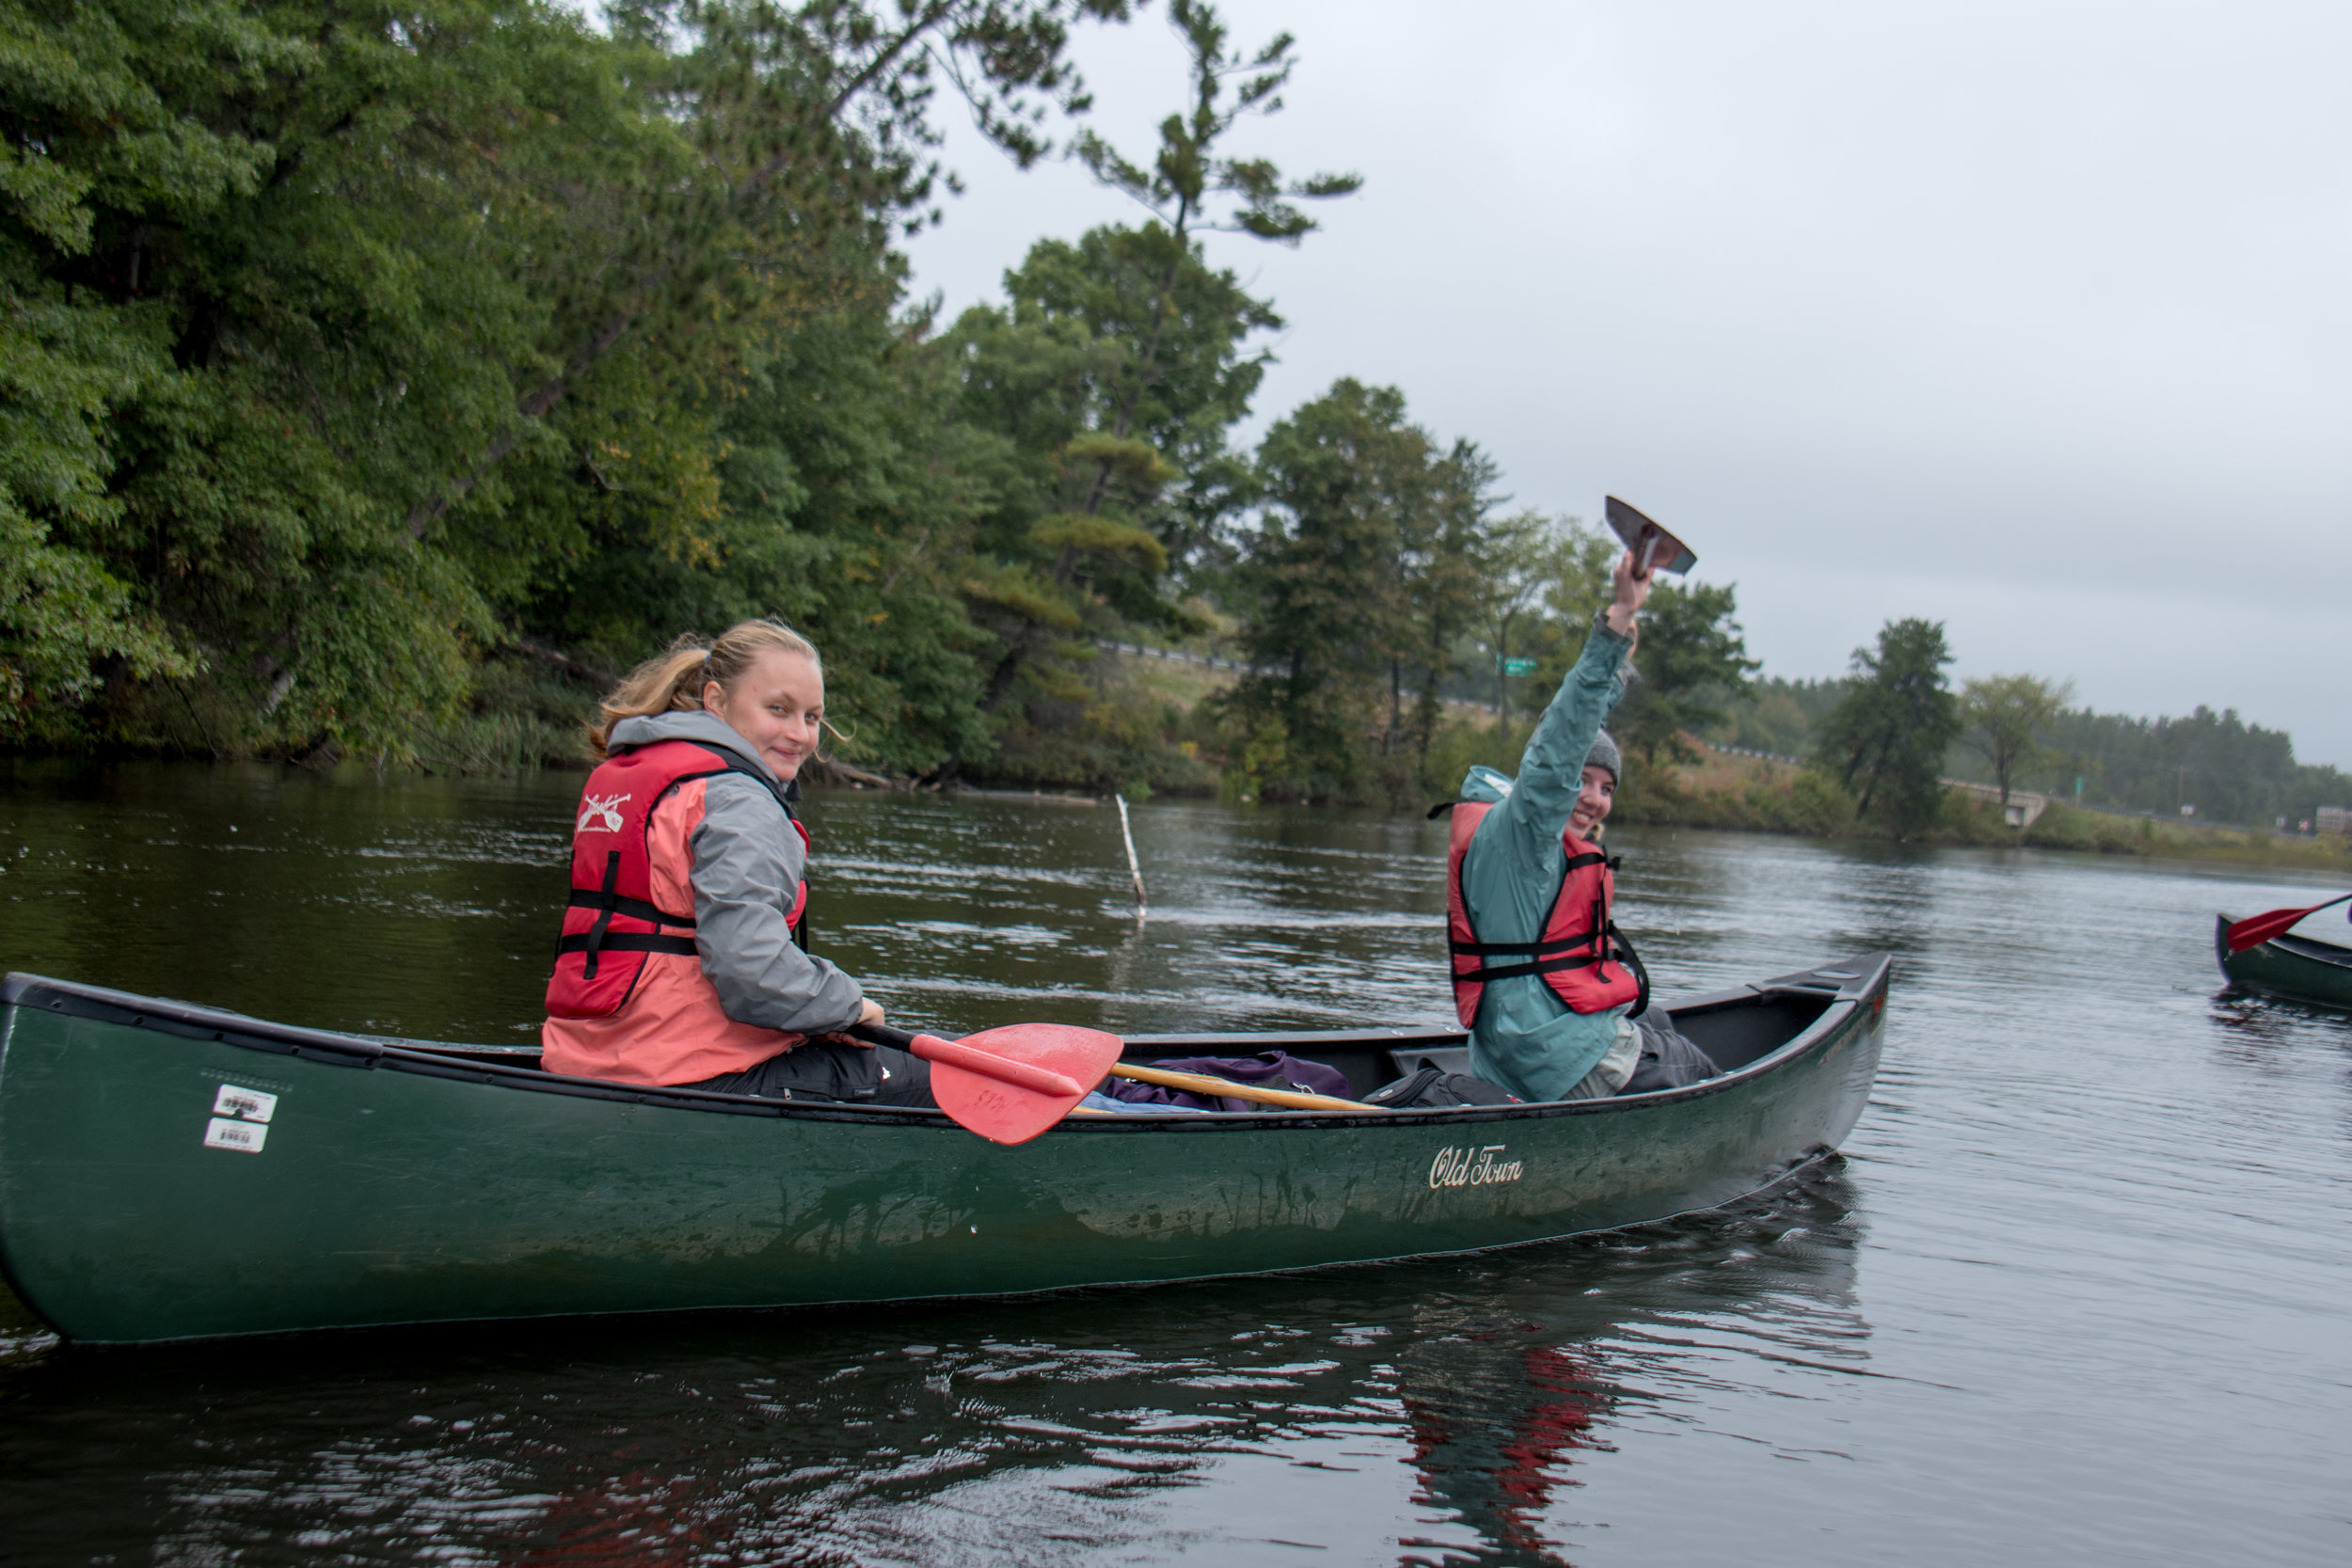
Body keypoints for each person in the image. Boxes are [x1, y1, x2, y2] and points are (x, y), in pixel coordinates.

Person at [540, 619, 933, 1106]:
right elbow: (752, 972)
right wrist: (849, 1006)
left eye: (812, 717)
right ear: (716, 701)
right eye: (778, 709)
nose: (799, 734)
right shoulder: (738, 799)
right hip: (688, 1072)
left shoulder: (629, 773)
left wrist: (822, 1019)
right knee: (941, 1075)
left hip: (585, 1057)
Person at [1442, 548, 1719, 1101]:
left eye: (1607, 787)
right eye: (1583, 781)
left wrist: (1629, 638)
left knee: (1658, 1021)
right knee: (1699, 1068)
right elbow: (1563, 735)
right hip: (1561, 1057)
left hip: (1509, 1055)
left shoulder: (1519, 839)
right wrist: (1617, 619)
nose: (1593, 799)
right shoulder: (1524, 828)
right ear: (1557, 782)